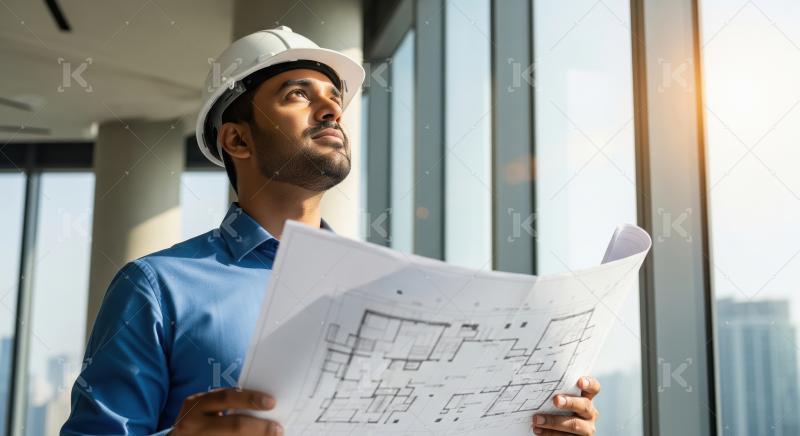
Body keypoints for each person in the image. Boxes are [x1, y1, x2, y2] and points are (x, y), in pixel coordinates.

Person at [61, 26, 600, 435]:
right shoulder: (157, 287)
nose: (331, 109)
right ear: (237, 140)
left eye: (333, 98)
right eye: (298, 93)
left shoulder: (396, 288)